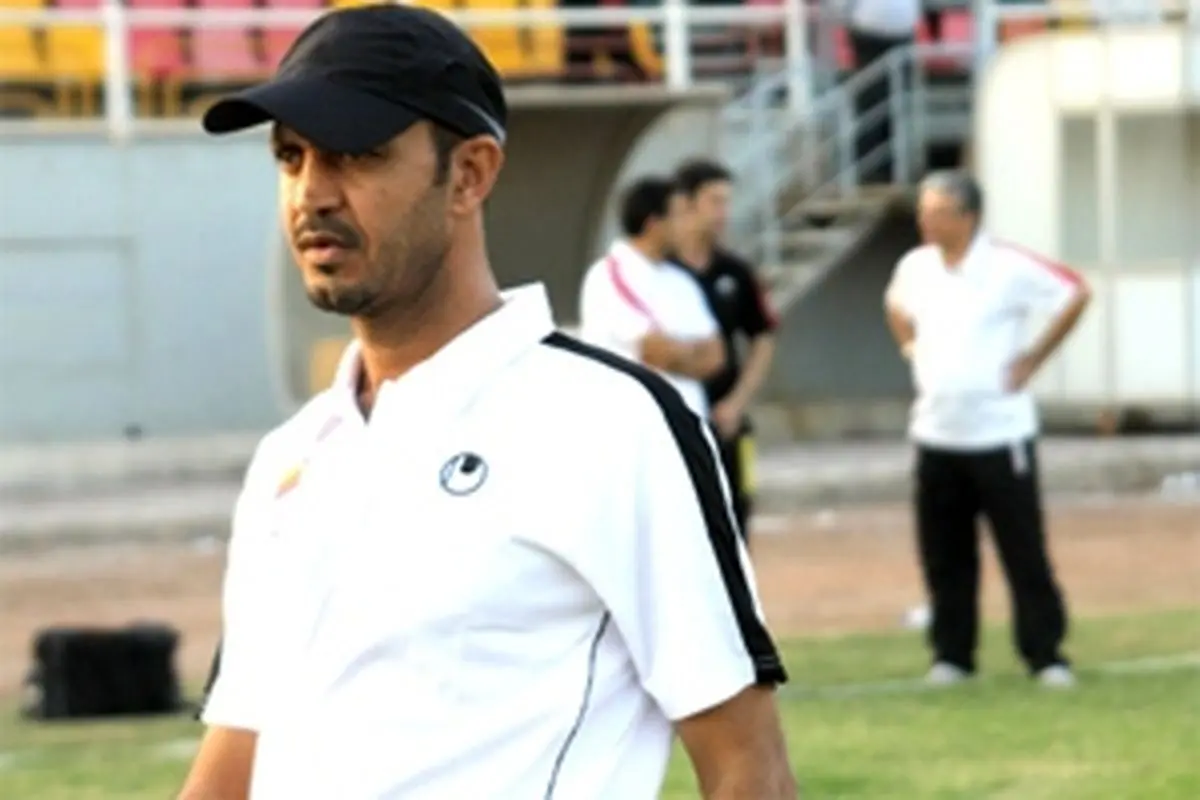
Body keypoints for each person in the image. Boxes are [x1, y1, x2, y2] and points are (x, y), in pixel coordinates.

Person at [178, 5, 796, 799]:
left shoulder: (612, 425)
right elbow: (236, 756)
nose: (312, 193)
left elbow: (749, 767)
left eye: (356, 154)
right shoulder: (290, 458)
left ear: (469, 174)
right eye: (290, 156)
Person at [883, 170, 1091, 689]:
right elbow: (895, 306)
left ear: (968, 216)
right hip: (936, 433)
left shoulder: (1007, 265)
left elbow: (1074, 292)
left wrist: (1033, 359)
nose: (926, 222)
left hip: (999, 434)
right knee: (944, 553)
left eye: (937, 213)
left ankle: (1044, 654)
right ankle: (952, 655)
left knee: (1023, 549)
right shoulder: (915, 267)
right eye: (924, 212)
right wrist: (910, 346)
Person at [670, 158, 778, 543]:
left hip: (728, 426)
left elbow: (763, 336)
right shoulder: (659, 273)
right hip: (677, 423)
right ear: (685, 204)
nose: (723, 213)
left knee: (736, 521)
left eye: (727, 202)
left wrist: (737, 402)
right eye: (714, 201)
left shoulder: (736, 271)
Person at [578, 176, 727, 421]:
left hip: (689, 426)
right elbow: (654, 351)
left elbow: (716, 356)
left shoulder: (682, 281)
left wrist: (678, 353)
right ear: (654, 224)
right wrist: (690, 352)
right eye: (680, 215)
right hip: (634, 427)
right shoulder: (610, 273)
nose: (688, 224)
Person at [845, 0, 921, 184]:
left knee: (897, 105)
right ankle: (868, 171)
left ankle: (891, 170)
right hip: (870, 35)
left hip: (901, 35)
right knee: (871, 103)